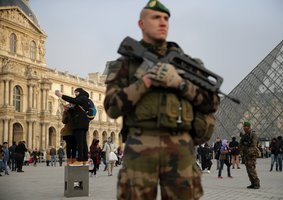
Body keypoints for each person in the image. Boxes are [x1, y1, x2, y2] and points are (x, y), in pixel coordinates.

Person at [104, 1, 219, 199]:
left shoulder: (188, 64)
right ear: (141, 24)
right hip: (140, 144)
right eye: (156, 17)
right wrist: (146, 81)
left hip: (180, 145)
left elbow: (212, 103)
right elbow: (112, 107)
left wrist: (179, 83)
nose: (163, 22)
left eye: (166, 18)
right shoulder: (125, 65)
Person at [55, 88, 90, 165]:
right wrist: (69, 109)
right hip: (83, 123)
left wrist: (61, 95)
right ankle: (84, 160)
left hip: (79, 124)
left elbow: (74, 101)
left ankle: (80, 160)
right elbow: (77, 110)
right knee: (83, 142)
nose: (75, 94)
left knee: (80, 142)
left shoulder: (82, 98)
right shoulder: (84, 99)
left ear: (80, 92)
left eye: (76, 92)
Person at [239, 121, 260, 189]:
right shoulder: (244, 136)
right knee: (248, 169)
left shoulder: (253, 134)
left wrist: (247, 143)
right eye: (244, 127)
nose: (245, 128)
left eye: (246, 127)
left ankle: (256, 183)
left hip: (251, 154)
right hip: (246, 154)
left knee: (252, 169)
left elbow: (254, 144)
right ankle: (252, 183)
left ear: (249, 127)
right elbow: (240, 144)